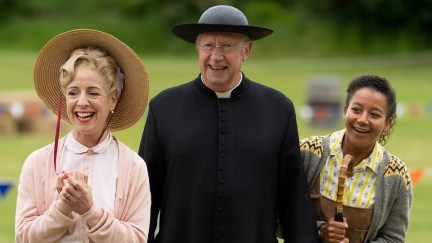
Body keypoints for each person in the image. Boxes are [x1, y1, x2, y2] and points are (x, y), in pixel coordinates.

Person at [138, 5, 318, 243]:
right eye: (208, 46)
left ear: (247, 50)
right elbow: (144, 197)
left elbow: (293, 200)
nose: (216, 56)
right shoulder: (164, 108)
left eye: (227, 46)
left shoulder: (278, 109)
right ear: (197, 49)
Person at [15, 29, 151, 242]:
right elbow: (24, 237)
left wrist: (90, 211)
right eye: (73, 92)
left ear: (113, 100)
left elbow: (137, 239)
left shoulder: (134, 168)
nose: (82, 102)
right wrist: (63, 206)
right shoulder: (37, 163)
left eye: (93, 92)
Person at [301, 75, 413, 242]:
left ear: (387, 123)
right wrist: (320, 231)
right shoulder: (308, 153)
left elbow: (394, 238)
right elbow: (279, 216)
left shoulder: (396, 175)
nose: (362, 120)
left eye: (374, 114)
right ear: (345, 110)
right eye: (356, 109)